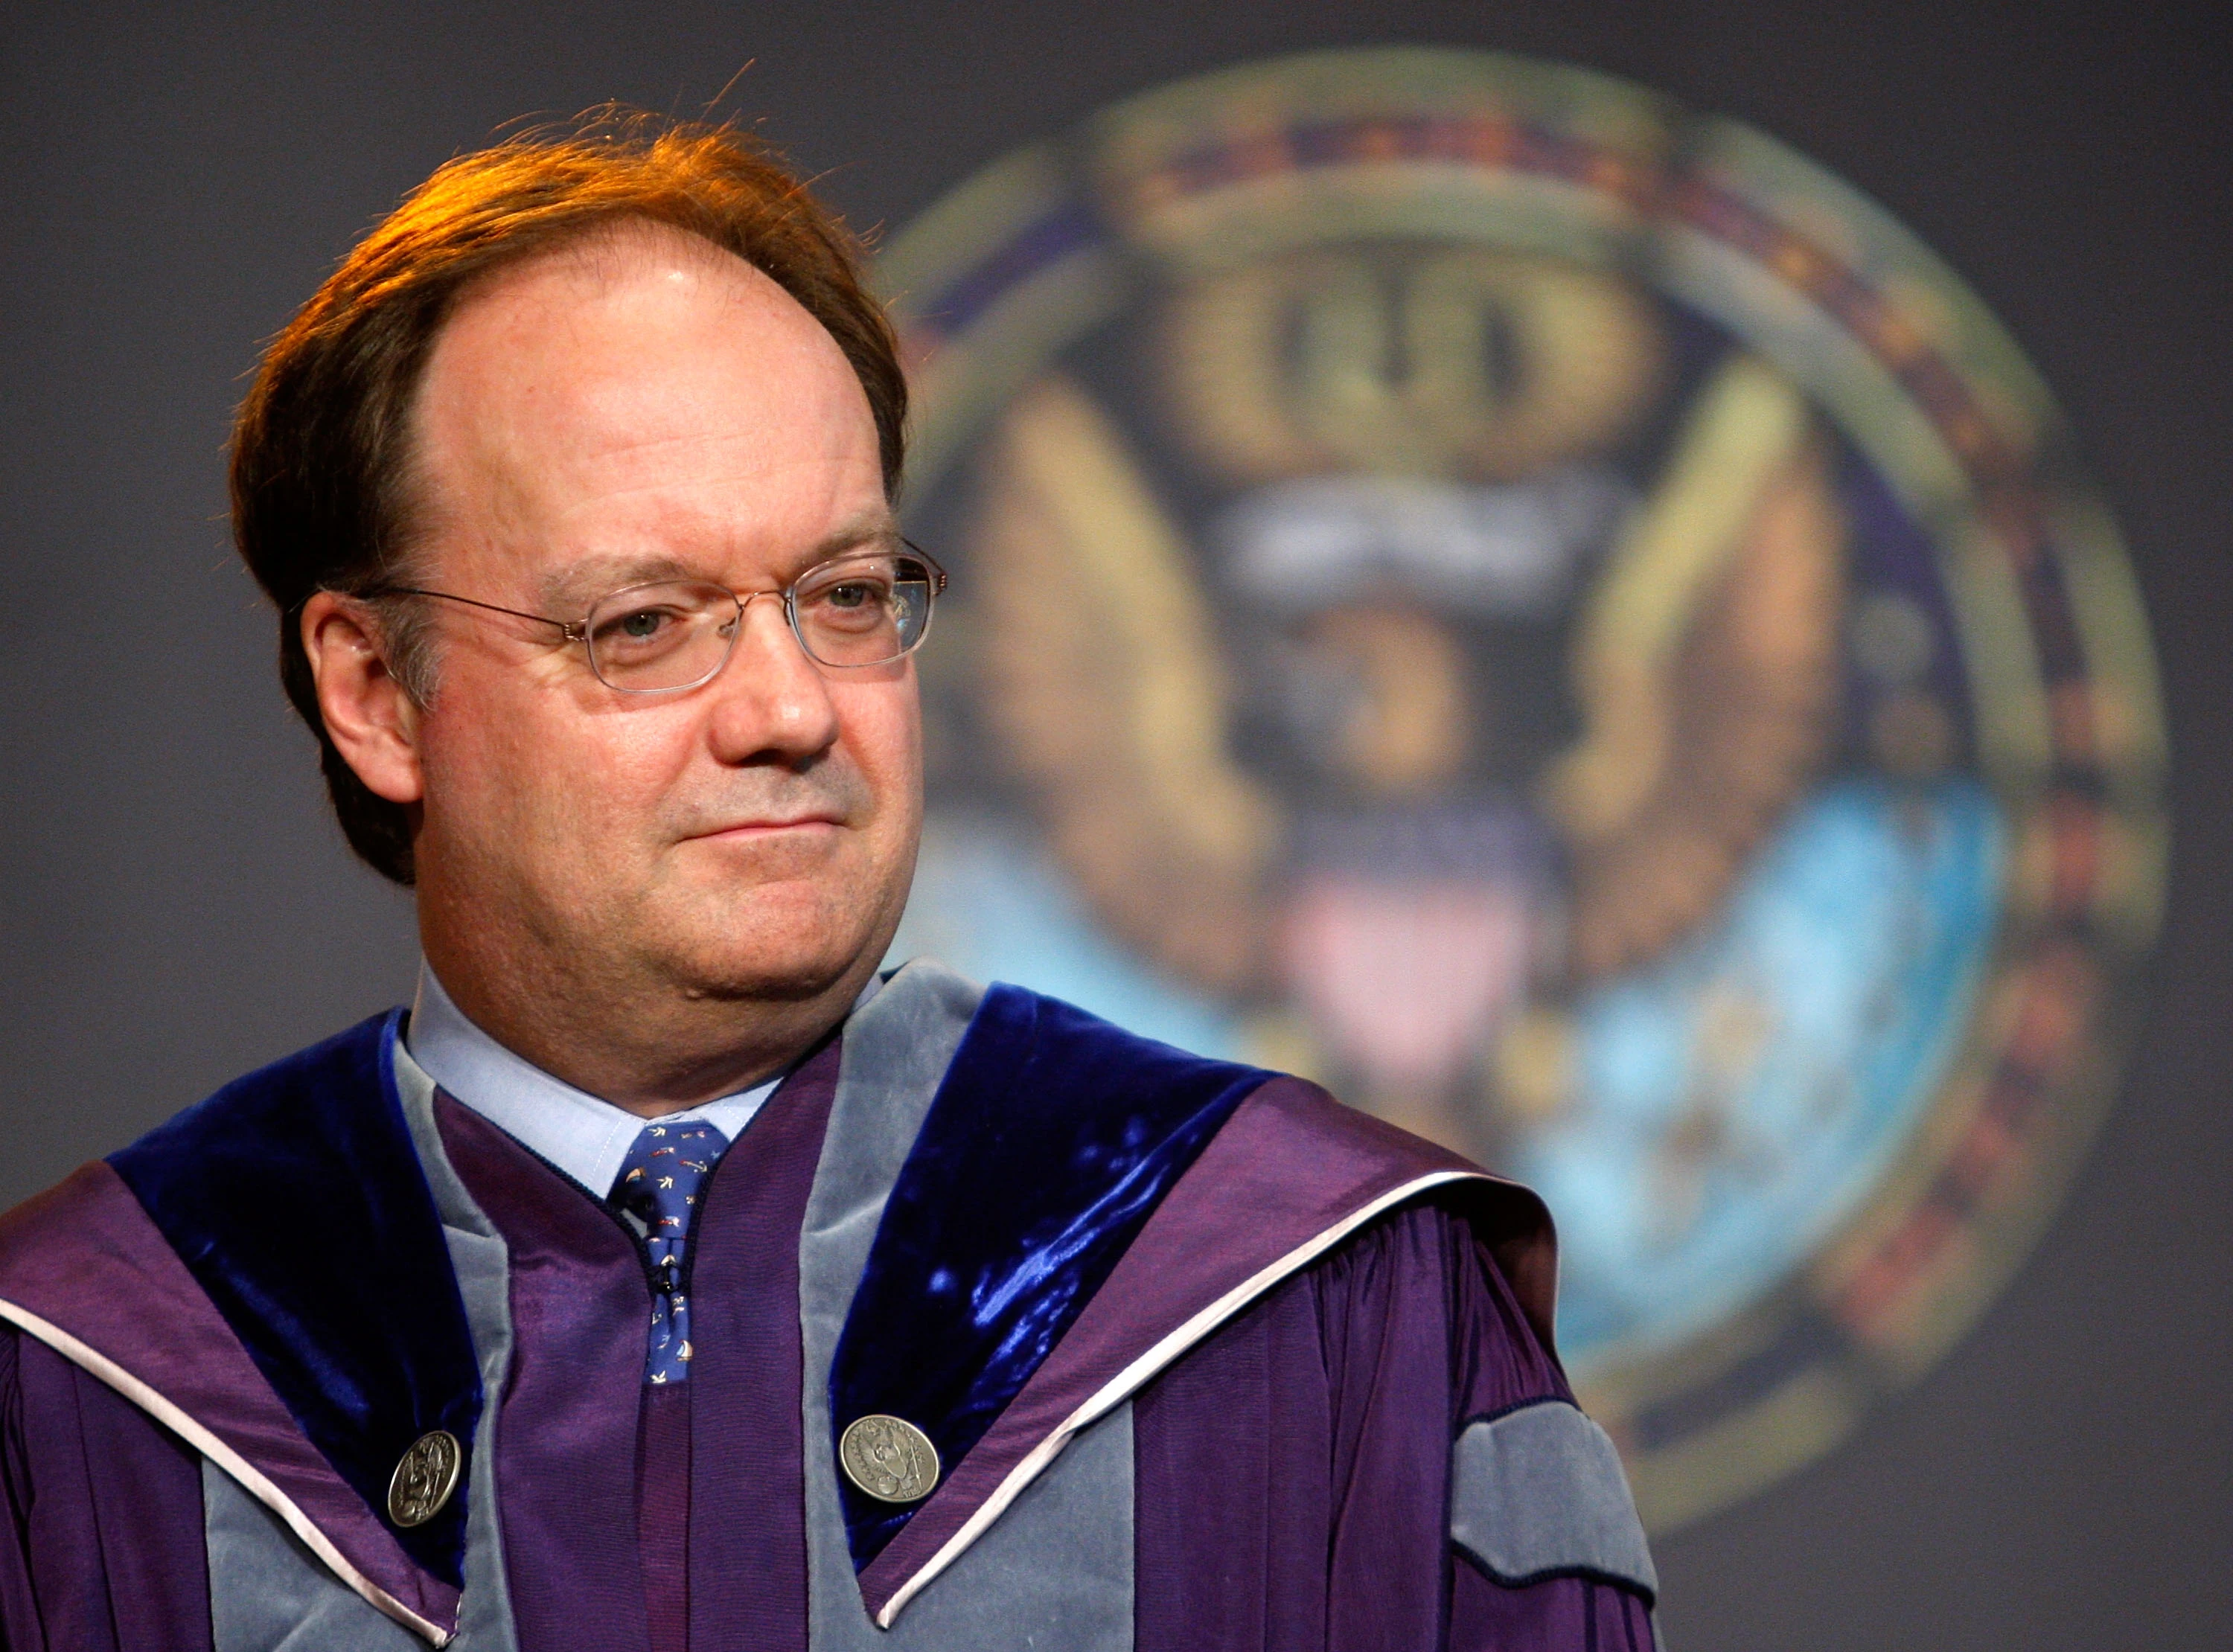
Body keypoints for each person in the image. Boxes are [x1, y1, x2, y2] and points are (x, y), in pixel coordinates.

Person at [0, 116, 1658, 1652]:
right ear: (374, 692)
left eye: (847, 595)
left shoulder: (1330, 1302)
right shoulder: (83, 1376)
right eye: (643, 623)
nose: (794, 711)